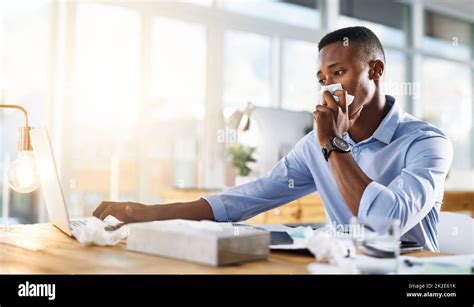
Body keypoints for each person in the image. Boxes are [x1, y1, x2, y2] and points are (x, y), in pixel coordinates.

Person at [93, 26, 452, 251]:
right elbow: (245, 199)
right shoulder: (317, 145)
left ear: (376, 70)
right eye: (321, 77)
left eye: (338, 72)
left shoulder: (425, 143)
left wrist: (333, 144)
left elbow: (382, 221)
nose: (328, 86)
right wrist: (149, 212)